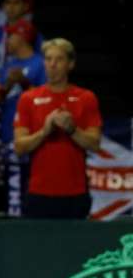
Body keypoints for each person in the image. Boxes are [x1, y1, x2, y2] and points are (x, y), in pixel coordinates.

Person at [13, 39, 101, 219]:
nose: (52, 64)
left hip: (75, 193)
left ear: (71, 64)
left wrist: (72, 129)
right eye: (48, 59)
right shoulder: (28, 98)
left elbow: (94, 144)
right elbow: (19, 147)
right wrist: (45, 131)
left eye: (59, 59)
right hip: (39, 192)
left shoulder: (86, 98)